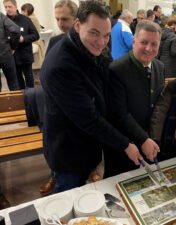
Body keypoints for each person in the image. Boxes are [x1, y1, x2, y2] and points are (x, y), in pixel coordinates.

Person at [40, 0, 143, 193]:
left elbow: (108, 76)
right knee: (68, 196)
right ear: (78, 25)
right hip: (68, 148)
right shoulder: (61, 66)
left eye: (106, 36)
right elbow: (89, 119)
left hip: (88, 143)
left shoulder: (90, 46)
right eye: (94, 33)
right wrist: (126, 144)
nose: (101, 42)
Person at [104, 20, 164, 178]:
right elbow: (118, 113)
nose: (148, 48)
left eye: (154, 44)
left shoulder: (159, 67)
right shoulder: (117, 69)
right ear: (133, 41)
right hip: (124, 145)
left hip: (149, 143)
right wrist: (142, 138)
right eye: (144, 42)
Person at [39, 0, 78, 196]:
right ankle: (54, 175)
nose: (61, 23)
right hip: (55, 114)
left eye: (65, 19)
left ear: (76, 20)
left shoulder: (87, 45)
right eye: (57, 19)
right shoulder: (54, 41)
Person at [3, 0, 39, 89]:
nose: (7, 9)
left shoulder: (25, 19)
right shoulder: (3, 21)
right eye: (5, 7)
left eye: (10, 6)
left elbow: (35, 35)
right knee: (18, 81)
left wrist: (24, 39)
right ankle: (22, 100)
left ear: (15, 6)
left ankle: (31, 99)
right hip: (12, 56)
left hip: (25, 55)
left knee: (29, 79)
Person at [21, 3, 45, 72]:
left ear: (28, 11)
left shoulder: (30, 19)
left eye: (23, 11)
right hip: (34, 40)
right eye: (22, 10)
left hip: (35, 41)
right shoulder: (31, 17)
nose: (22, 12)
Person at [0, 11, 20, 92]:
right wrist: (13, 46)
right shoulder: (1, 16)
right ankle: (16, 104)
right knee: (13, 83)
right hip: (6, 54)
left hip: (6, 52)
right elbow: (16, 30)